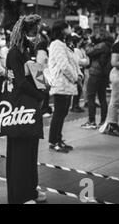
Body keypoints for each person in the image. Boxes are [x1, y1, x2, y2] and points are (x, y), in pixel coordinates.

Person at [6, 14, 46, 204]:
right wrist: (40, 95)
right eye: (34, 31)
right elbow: (20, 81)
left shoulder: (29, 49)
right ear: (25, 31)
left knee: (31, 152)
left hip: (31, 105)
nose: (36, 35)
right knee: (20, 153)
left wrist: (43, 88)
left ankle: (30, 190)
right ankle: (20, 196)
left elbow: (36, 75)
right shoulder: (14, 53)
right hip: (19, 107)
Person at [48, 20, 81, 153]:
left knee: (62, 113)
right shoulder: (56, 44)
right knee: (59, 113)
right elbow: (64, 65)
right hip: (61, 84)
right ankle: (54, 141)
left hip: (67, 84)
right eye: (67, 26)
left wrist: (79, 75)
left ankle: (58, 139)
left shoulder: (64, 44)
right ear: (61, 29)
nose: (70, 28)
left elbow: (73, 63)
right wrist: (75, 78)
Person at [82, 29, 113, 129]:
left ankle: (91, 121)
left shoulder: (101, 45)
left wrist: (89, 44)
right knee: (102, 98)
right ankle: (103, 121)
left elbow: (89, 52)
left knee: (90, 97)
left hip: (96, 73)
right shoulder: (109, 45)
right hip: (104, 75)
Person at [71, 33, 89, 113]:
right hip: (79, 70)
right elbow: (79, 61)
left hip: (79, 69)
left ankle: (75, 105)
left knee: (79, 88)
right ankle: (75, 105)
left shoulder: (76, 49)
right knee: (78, 88)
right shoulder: (76, 50)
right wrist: (86, 60)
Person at [36, 25, 52, 118]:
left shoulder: (43, 50)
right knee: (43, 93)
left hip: (43, 74)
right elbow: (41, 65)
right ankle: (42, 110)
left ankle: (44, 108)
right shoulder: (42, 52)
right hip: (41, 74)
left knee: (45, 93)